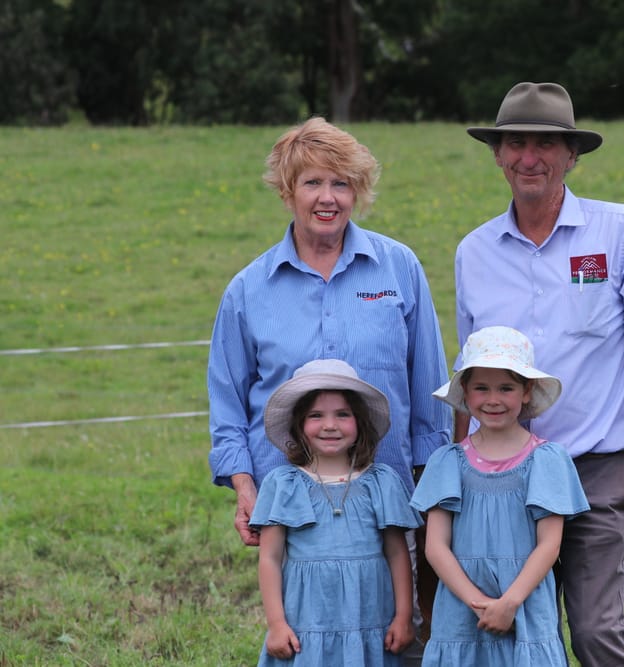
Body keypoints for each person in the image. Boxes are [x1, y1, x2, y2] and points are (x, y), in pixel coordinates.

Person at [452, 82, 624, 666]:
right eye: (517, 143)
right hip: (501, 475)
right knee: (517, 634)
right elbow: (468, 375)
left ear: (572, 155)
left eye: (547, 143)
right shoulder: (474, 252)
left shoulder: (621, 233)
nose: (531, 157)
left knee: (596, 633)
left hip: (592, 472)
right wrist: (459, 477)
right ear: (498, 155)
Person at [206, 117, 450, 656]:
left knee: (397, 637)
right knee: (309, 638)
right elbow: (227, 405)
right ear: (287, 190)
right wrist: (246, 488)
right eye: (313, 182)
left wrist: (434, 493)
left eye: (341, 184)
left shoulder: (398, 269)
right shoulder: (249, 290)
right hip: (293, 509)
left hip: (389, 501)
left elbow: (431, 388)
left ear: (357, 192)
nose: (327, 198)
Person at [411, 326, 589, 666]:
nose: (493, 399)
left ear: (526, 391)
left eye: (506, 388)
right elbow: (435, 547)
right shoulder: (448, 462)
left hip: (523, 605)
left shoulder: (546, 461)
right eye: (481, 388)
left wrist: (509, 604)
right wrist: (478, 603)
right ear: (465, 392)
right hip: (462, 611)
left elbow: (549, 545)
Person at [250, 358, 423, 665]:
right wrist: (276, 624)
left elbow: (397, 554)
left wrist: (403, 616)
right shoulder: (284, 484)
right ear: (299, 426)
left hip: (369, 617)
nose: (330, 425)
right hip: (308, 623)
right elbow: (270, 557)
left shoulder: (381, 482)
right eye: (316, 415)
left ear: (360, 423)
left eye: (343, 414)